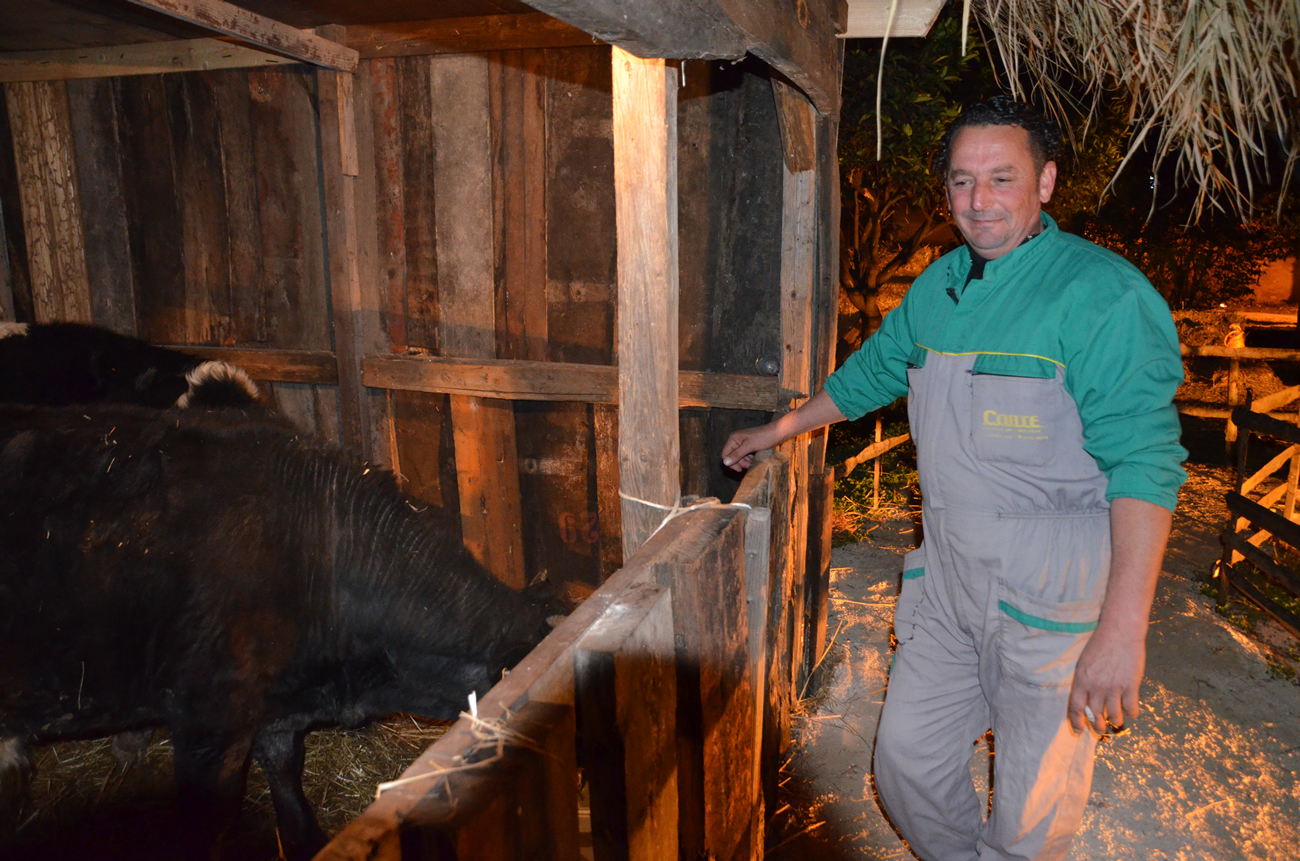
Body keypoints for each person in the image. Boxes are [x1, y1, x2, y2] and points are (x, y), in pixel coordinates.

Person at [722, 96, 1186, 861]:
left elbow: (1146, 464)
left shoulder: (1102, 295)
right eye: (963, 181)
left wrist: (1123, 629)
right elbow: (873, 372)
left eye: (1002, 178)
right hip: (947, 581)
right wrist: (778, 430)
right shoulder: (937, 287)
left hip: (1048, 597)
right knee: (905, 762)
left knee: (1031, 810)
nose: (979, 200)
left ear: (1045, 182)